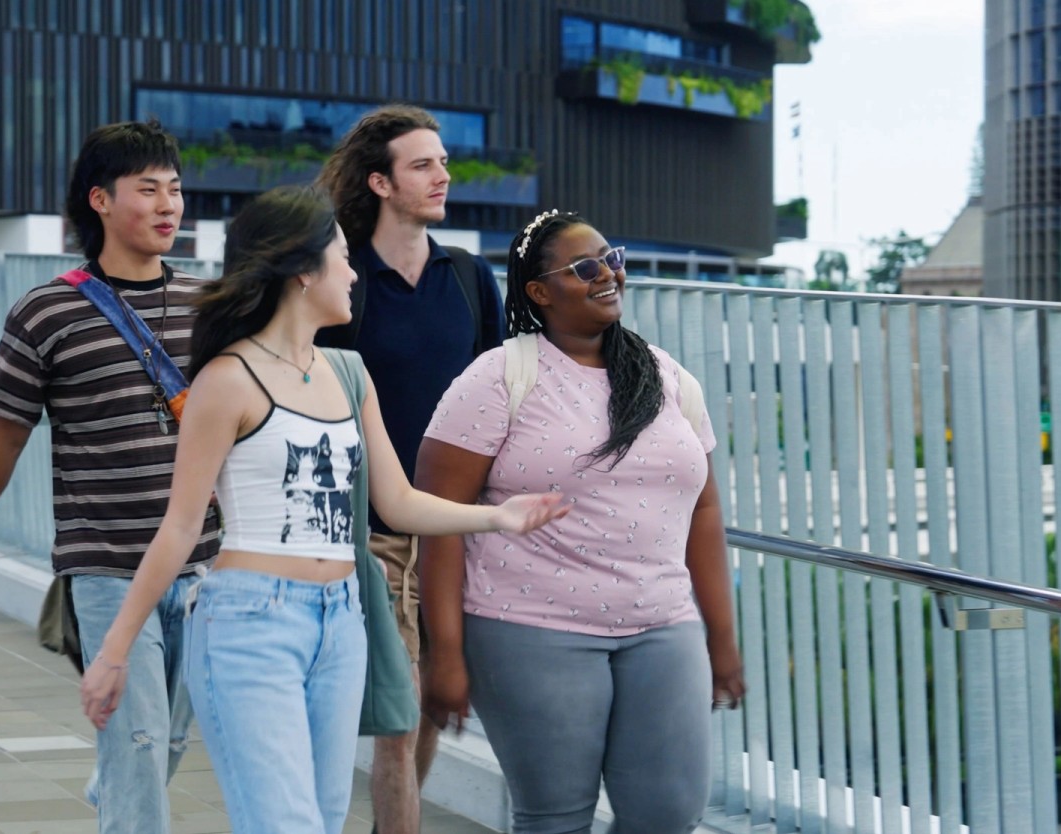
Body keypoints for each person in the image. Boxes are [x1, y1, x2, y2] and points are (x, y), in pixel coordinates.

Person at [76, 185, 566, 834]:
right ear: (302, 271)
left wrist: (498, 518)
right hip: (249, 624)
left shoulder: (347, 373)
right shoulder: (227, 379)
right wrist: (113, 653)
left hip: (340, 623)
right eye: (341, 256)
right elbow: (182, 525)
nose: (354, 272)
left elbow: (397, 501)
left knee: (323, 821)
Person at [417, 210, 747, 834]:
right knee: (556, 820)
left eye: (612, 258)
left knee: (668, 814)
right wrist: (447, 655)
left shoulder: (667, 375)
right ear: (539, 292)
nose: (609, 275)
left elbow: (704, 507)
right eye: (586, 267)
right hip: (529, 631)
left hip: (663, 627)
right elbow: (442, 523)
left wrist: (721, 637)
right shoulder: (498, 377)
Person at [0, 120, 219, 833]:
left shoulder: (209, 307)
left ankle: (119, 788)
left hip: (207, 566)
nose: (169, 206)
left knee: (170, 743)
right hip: (105, 568)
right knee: (140, 743)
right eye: (148, 189)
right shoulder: (45, 312)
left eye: (176, 190)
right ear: (99, 199)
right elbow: (1, 443)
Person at [315, 104, 504, 833]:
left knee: (429, 706)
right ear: (380, 182)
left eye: (443, 162)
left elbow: (496, 400)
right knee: (396, 712)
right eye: (422, 164)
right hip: (369, 532)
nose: (442, 175)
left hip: (451, 531)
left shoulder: (468, 277)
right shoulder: (340, 279)